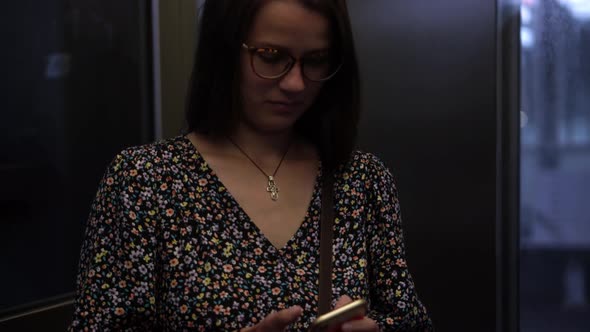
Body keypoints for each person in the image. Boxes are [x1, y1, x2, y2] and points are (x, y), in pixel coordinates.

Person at [69, 0, 434, 331]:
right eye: (271, 56)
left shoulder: (362, 180)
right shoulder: (144, 180)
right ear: (224, 51)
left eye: (316, 60)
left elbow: (410, 319)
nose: (295, 83)